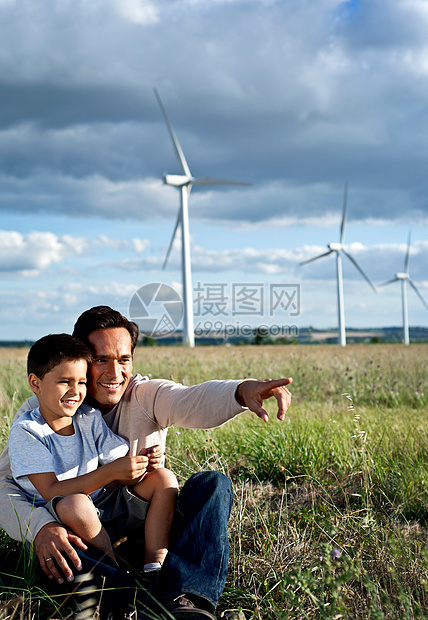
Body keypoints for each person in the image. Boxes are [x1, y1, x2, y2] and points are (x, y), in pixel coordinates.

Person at [0, 306, 292, 619]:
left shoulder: (142, 396)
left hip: (138, 521)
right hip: (75, 531)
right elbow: (5, 484)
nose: (114, 373)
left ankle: (187, 600)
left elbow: (190, 400)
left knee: (213, 484)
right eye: (101, 360)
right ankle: (138, 600)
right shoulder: (41, 412)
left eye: (123, 359)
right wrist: (40, 529)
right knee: (63, 555)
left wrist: (240, 390)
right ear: (83, 360)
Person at [8, 333, 178, 575]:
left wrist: (140, 465)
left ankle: (154, 565)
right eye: (64, 381)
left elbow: (119, 472)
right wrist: (109, 472)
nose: (75, 391)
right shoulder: (28, 432)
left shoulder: (88, 418)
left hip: (106, 507)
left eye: (81, 382)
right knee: (76, 503)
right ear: (35, 383)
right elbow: (52, 492)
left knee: (163, 478)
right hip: (65, 520)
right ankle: (117, 573)